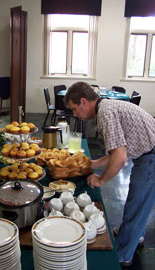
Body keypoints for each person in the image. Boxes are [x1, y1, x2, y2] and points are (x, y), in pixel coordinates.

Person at [64, 81, 155, 268]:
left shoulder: (105, 113)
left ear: (83, 101)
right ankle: (134, 234)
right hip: (148, 150)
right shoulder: (105, 106)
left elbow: (120, 157)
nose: (75, 115)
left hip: (151, 156)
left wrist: (101, 179)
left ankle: (122, 254)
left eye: (74, 109)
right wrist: (94, 163)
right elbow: (117, 150)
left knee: (137, 203)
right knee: (138, 201)